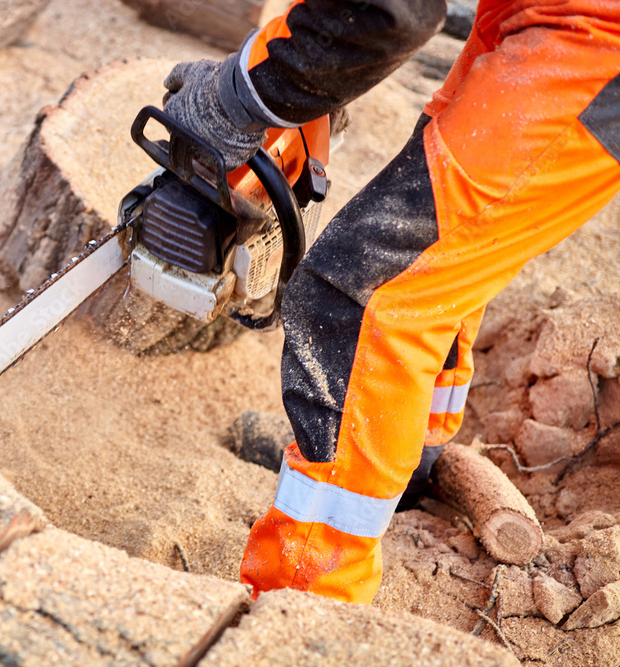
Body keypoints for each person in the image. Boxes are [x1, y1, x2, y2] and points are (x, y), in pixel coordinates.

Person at [162, 0, 620, 604]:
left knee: (362, 296)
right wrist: (310, 70)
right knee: (439, 252)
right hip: (539, 15)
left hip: (595, 44)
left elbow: (388, 11)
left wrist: (248, 90)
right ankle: (406, 459)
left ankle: (307, 593)